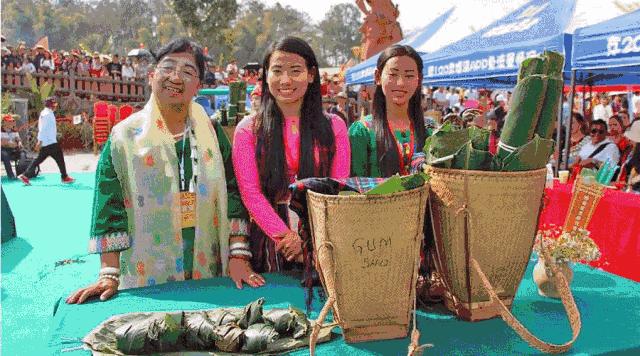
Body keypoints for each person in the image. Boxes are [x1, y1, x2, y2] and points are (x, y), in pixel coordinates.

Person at [66, 38, 258, 305]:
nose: (175, 78)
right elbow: (109, 205)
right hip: (149, 268)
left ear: (198, 87)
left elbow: (233, 190)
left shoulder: (212, 133)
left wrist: (238, 255)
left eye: (188, 72)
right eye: (167, 67)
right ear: (151, 75)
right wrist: (108, 274)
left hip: (207, 260)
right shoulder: (124, 138)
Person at [232, 36, 350, 274]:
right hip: (269, 241)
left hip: (323, 238)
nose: (285, 80)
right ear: (266, 76)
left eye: (295, 70)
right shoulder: (247, 130)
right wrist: (286, 237)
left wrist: (308, 240)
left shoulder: (334, 126)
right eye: (277, 71)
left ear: (311, 74)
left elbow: (339, 187)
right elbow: (250, 193)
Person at [349, 44, 426, 178]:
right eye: (393, 74)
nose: (400, 83)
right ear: (378, 77)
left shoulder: (430, 130)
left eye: (409, 76)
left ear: (419, 80)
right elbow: (353, 186)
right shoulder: (362, 132)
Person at [18, 97, 74, 185]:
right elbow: (42, 129)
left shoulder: (48, 113)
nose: (55, 107)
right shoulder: (47, 114)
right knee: (59, 159)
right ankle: (64, 177)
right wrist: (39, 141)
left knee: (39, 160)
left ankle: (25, 176)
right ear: (50, 106)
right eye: (53, 105)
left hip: (49, 142)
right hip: (49, 142)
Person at [1, 114, 23, 180]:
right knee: (5, 155)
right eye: (9, 121)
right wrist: (10, 143)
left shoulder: (14, 130)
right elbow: (2, 143)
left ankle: (22, 174)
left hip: (13, 149)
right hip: (3, 150)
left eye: (12, 121)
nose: (11, 123)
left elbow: (18, 139)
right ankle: (11, 175)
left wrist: (19, 142)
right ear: (4, 122)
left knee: (23, 153)